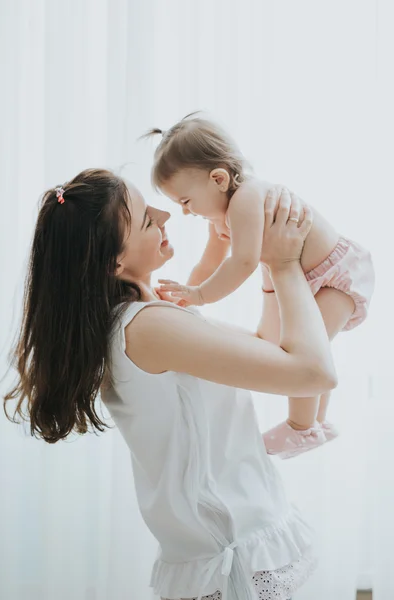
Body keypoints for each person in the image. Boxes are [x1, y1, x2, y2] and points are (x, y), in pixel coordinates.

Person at [4, 168, 337, 600]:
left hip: (232, 545)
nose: (166, 215)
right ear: (115, 263)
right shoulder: (148, 328)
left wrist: (270, 266)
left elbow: (266, 347)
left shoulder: (147, 317)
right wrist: (287, 265)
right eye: (146, 218)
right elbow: (315, 373)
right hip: (231, 558)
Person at [145, 114, 375, 459]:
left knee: (305, 355)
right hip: (303, 277)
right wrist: (186, 297)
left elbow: (244, 262)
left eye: (186, 201)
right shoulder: (221, 215)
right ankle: (318, 423)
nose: (185, 212)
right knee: (288, 345)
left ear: (218, 178)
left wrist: (201, 295)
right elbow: (212, 260)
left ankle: (301, 429)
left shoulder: (246, 199)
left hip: (336, 276)